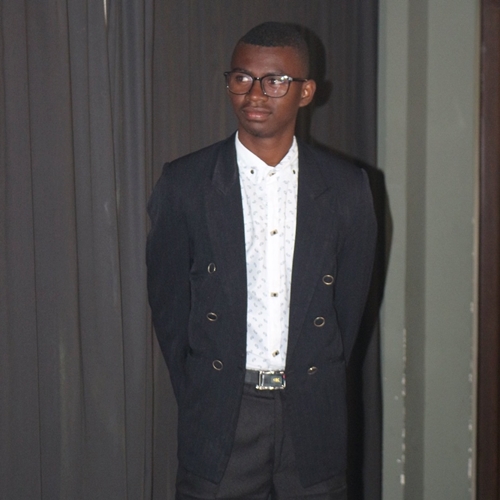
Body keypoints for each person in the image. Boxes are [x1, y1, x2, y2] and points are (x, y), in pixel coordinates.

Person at [147, 22, 377, 500]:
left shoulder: (347, 189)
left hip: (312, 417)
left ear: (306, 91)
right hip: (222, 417)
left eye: (275, 81)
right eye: (242, 78)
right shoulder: (185, 184)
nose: (255, 93)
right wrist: (206, 391)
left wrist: (317, 376)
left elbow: (348, 312)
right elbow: (169, 310)